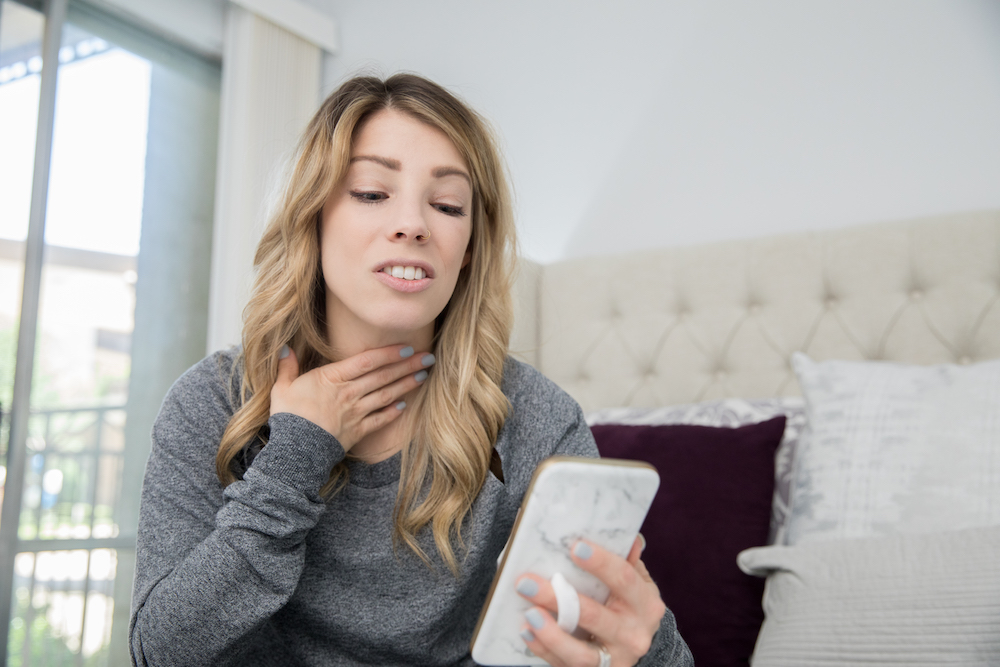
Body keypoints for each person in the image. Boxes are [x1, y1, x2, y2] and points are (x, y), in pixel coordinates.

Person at [129, 73, 693, 667]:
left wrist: (645, 649)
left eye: (448, 205)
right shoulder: (213, 402)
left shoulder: (532, 416)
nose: (414, 224)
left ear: (469, 245)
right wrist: (295, 458)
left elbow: (629, 642)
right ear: (314, 214)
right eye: (373, 193)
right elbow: (159, 652)